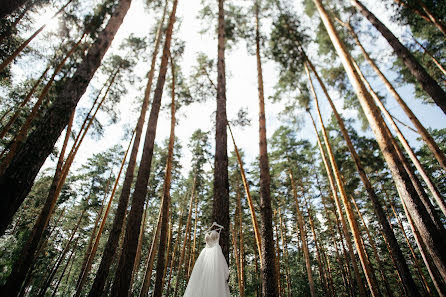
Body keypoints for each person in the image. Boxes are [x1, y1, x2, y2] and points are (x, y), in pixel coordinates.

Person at [183, 222, 230, 297]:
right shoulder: (208, 232)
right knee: (200, 278)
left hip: (215, 254)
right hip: (206, 253)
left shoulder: (220, 229)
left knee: (214, 277)